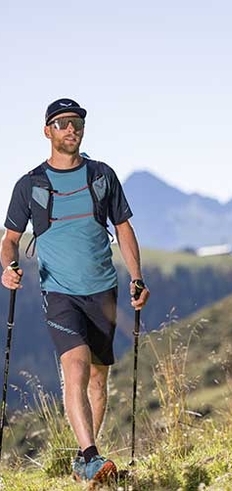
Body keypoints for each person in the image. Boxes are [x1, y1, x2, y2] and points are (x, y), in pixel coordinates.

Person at [0, 98, 150, 483]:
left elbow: (125, 229)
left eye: (77, 122)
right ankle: (91, 455)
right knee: (77, 369)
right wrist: (8, 267)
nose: (72, 129)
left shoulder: (101, 176)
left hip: (103, 289)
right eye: (63, 123)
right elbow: (10, 239)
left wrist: (137, 277)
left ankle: (88, 465)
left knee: (99, 380)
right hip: (60, 293)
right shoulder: (30, 184)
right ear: (48, 130)